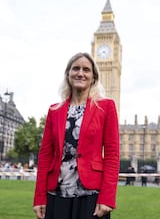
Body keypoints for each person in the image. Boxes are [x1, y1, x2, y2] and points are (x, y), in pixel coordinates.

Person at [33, 52, 120, 219]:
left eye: (86, 70)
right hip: (56, 194)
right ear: (68, 74)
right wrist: (39, 198)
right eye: (76, 69)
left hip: (90, 195)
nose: (80, 73)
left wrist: (107, 197)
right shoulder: (54, 110)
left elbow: (112, 155)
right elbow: (45, 155)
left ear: (93, 77)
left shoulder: (106, 107)